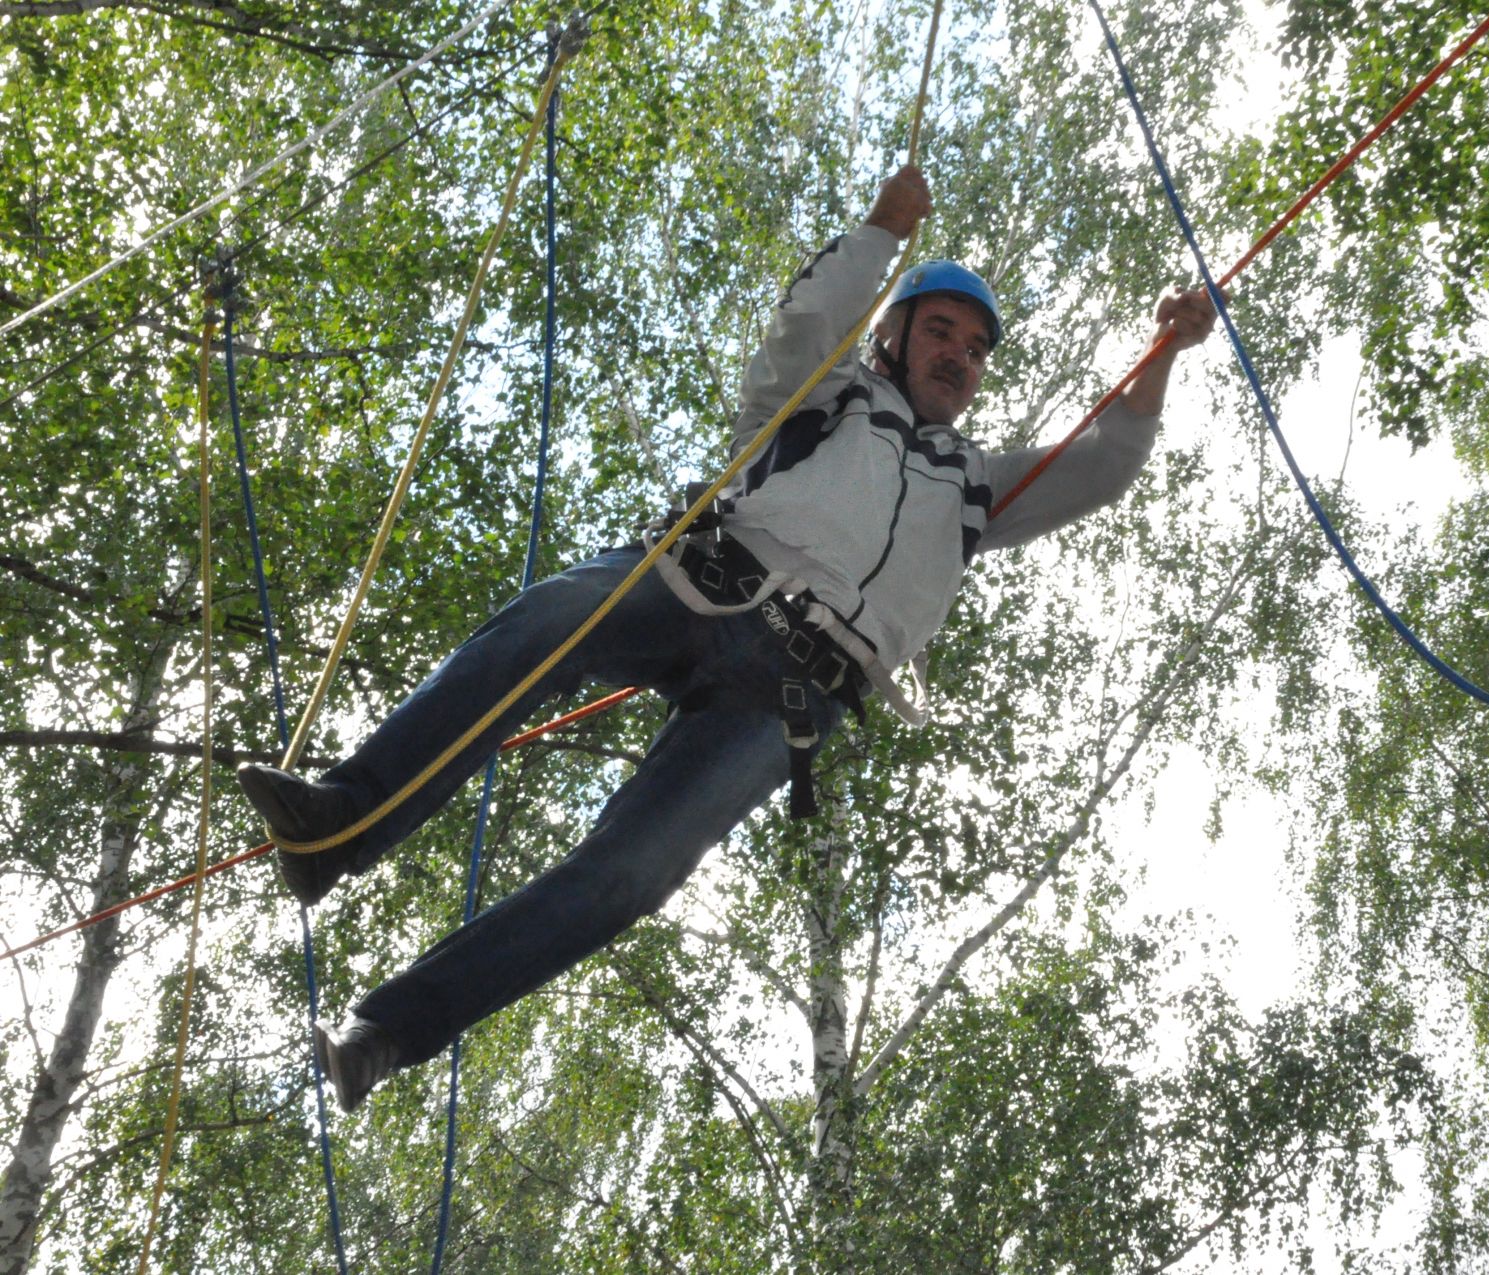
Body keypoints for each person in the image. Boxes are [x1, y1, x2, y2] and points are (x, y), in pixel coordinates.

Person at [235, 165, 1219, 1111]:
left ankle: (390, 1034)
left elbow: (1104, 464)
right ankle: (342, 825)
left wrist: (1162, 355)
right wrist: (882, 229)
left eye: (974, 345)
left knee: (635, 870)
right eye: (941, 330)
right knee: (548, 621)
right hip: (701, 582)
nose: (958, 352)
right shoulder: (824, 402)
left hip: (790, 688)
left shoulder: (977, 489)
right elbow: (804, 325)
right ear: (895, 338)